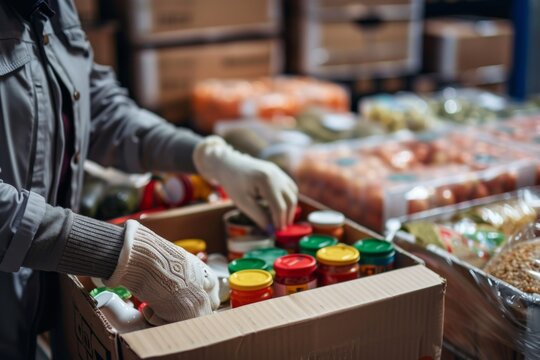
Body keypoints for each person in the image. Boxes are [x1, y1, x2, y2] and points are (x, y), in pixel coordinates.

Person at [0, 0, 298, 358]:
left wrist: (209, 156)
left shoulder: (53, 7)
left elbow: (102, 112)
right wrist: (126, 257)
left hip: (34, 308)